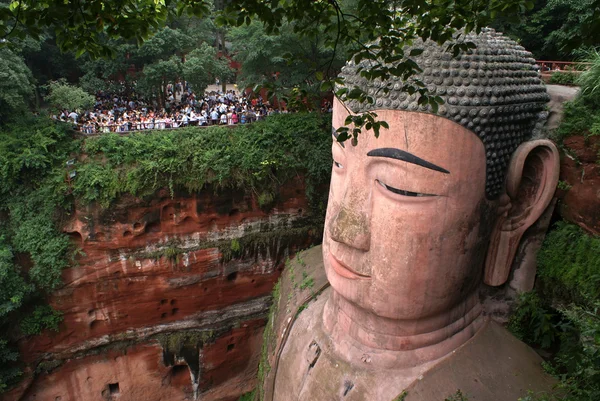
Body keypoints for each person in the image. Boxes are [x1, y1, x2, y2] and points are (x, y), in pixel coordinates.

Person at [267, 28, 559, 401]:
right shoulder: (297, 290)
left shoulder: (516, 389)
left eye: (399, 187)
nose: (343, 229)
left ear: (519, 203)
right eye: (338, 163)